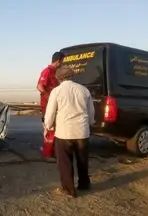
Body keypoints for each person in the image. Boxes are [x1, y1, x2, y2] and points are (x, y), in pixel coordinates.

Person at [44, 65, 95, 198]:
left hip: (64, 132)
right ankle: (84, 184)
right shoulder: (84, 90)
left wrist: (47, 127)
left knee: (65, 162)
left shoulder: (57, 91)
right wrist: (90, 124)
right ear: (72, 76)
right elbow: (91, 112)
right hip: (82, 131)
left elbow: (50, 112)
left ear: (59, 78)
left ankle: (69, 189)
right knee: (82, 160)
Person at [36, 51, 65, 162]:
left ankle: (54, 152)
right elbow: (39, 86)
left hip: (55, 106)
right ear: (58, 61)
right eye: (62, 61)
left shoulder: (56, 73)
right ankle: (47, 154)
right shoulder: (47, 71)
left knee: (56, 130)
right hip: (47, 106)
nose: (62, 64)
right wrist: (48, 97)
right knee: (49, 129)